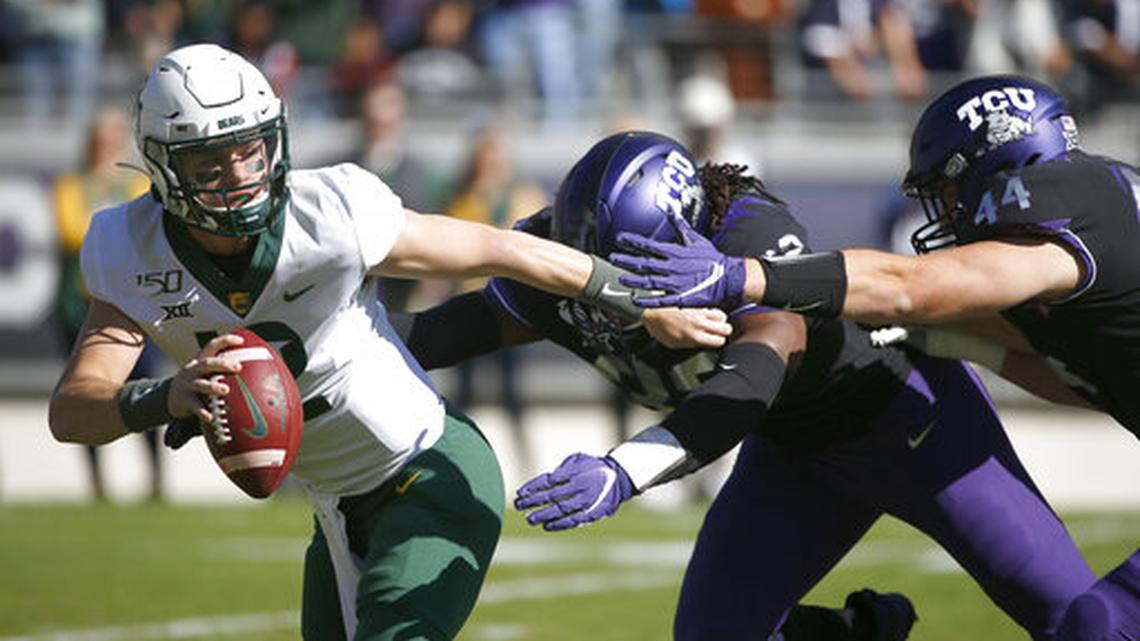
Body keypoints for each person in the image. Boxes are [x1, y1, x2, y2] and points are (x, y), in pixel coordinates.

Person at [46, 44, 725, 641]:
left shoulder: (331, 211)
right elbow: (74, 409)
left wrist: (635, 300)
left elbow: (497, 248)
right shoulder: (125, 248)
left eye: (248, 148)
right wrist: (166, 396)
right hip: (335, 511)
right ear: (165, 169)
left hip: (430, 472)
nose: (239, 174)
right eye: (211, 163)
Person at [392, 131, 1096, 640]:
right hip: (791, 454)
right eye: (597, 269)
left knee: (1079, 620)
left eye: (634, 269)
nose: (611, 290)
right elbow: (468, 324)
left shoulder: (748, 232)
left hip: (909, 422)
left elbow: (756, 374)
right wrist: (324, 356)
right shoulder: (567, 249)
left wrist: (624, 469)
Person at [613, 75, 1140, 640]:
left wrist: (744, 275)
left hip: (908, 421)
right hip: (803, 441)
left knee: (1095, 624)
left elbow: (913, 287)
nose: (948, 212)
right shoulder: (1089, 237)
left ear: (1003, 165)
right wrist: (947, 338)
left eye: (949, 191)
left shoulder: (1066, 194)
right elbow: (1078, 378)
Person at [53, 105, 166, 502]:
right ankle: (98, 481)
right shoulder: (72, 184)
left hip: (135, 305)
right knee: (87, 388)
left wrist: (100, 215)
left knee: (144, 383)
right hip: (82, 302)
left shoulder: (135, 185)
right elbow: (71, 230)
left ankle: (154, 477)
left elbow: (147, 231)